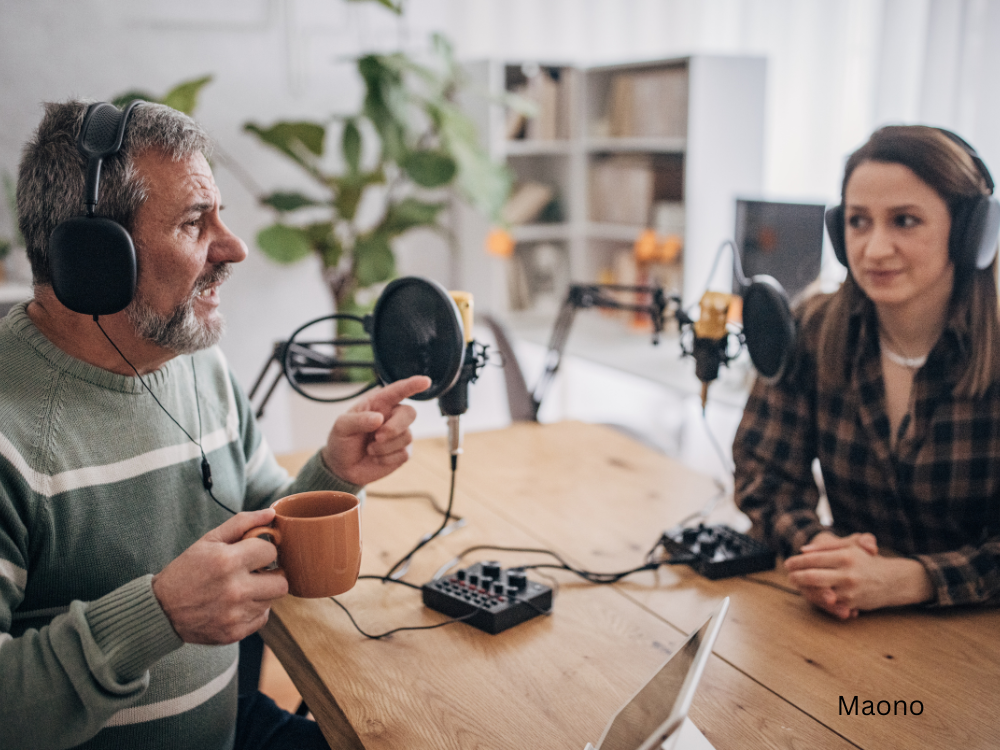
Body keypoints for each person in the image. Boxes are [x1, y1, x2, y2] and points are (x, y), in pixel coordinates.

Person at [0, 99, 431, 749]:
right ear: (96, 261)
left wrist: (334, 474)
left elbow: (261, 539)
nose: (235, 247)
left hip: (230, 726)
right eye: (196, 223)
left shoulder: (198, 365)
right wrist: (161, 615)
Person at [734, 125, 1000, 620]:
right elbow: (764, 476)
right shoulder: (812, 328)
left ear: (970, 232)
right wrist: (821, 551)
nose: (875, 250)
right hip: (844, 622)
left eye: (904, 220)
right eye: (859, 221)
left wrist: (911, 580)